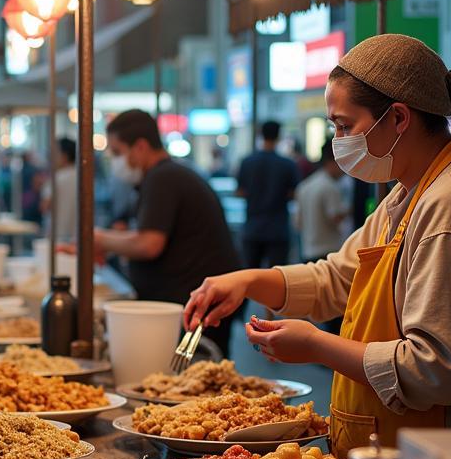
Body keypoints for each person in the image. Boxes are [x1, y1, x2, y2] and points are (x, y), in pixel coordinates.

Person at [184, 34, 451, 457]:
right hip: (408, 455)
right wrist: (246, 281)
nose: (339, 141)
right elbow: (337, 277)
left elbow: (437, 368)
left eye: (344, 125)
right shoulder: (409, 192)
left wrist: (318, 345)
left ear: (397, 118)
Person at [79, 109, 240, 357]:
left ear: (141, 147)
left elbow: (148, 243)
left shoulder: (163, 178)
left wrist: (98, 239)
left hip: (195, 311)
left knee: (193, 383)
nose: (115, 160)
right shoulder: (163, 176)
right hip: (186, 306)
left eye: (118, 152)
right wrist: (110, 240)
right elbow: (142, 233)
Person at [236, 120, 299, 269]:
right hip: (278, 229)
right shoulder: (287, 164)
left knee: (250, 277)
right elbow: (293, 194)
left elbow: (240, 192)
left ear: (260, 135)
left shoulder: (247, 162)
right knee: (277, 278)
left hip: (252, 228)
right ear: (278, 137)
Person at [294, 139, 351, 264]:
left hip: (307, 251)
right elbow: (335, 217)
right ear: (332, 161)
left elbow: (297, 223)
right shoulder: (330, 186)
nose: (345, 169)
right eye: (342, 163)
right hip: (328, 252)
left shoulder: (304, 186)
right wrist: (349, 211)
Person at [40, 137, 78, 242]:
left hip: (57, 236)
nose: (50, 158)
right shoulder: (82, 177)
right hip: (78, 236)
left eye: (54, 153)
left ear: (64, 156)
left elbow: (45, 206)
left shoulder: (56, 178)